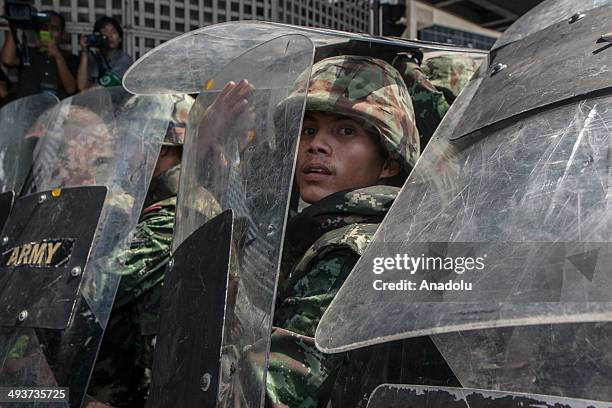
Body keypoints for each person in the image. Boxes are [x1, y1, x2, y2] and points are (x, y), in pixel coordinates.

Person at [262, 55, 420, 408]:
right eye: (308, 129)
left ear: (389, 161)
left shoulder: (350, 250)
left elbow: (270, 395)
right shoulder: (377, 230)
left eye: (346, 131)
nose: (316, 145)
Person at [85, 95, 194, 408]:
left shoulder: (174, 215)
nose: (119, 154)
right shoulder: (153, 204)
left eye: (127, 142)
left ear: (157, 147)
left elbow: (97, 291)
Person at [0, 11, 78, 99]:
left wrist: (58, 56)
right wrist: (14, 26)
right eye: (45, 28)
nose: (49, 32)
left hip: (55, 110)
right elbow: (7, 60)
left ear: (62, 34)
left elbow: (71, 88)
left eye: (54, 28)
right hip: (27, 109)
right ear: (38, 32)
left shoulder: (70, 58)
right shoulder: (28, 53)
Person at [77, 16, 132, 91]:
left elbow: (99, 88)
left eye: (114, 32)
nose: (109, 36)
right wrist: (84, 52)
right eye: (105, 31)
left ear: (119, 39)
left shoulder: (124, 60)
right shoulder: (93, 58)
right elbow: (81, 87)